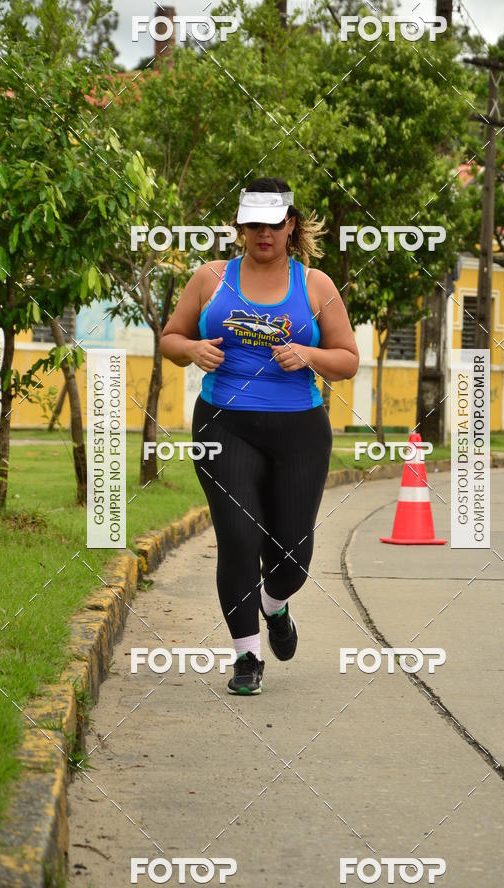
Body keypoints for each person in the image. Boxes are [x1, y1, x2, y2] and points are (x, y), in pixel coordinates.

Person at [160, 176, 359, 694]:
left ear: (290, 224)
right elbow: (170, 337)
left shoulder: (315, 286)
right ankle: (246, 657)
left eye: (273, 224)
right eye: (253, 224)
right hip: (224, 423)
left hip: (300, 432)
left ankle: (275, 606)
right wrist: (191, 350)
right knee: (238, 537)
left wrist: (310, 356)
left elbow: (348, 360)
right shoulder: (209, 278)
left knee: (291, 555)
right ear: (240, 226)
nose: (263, 234)